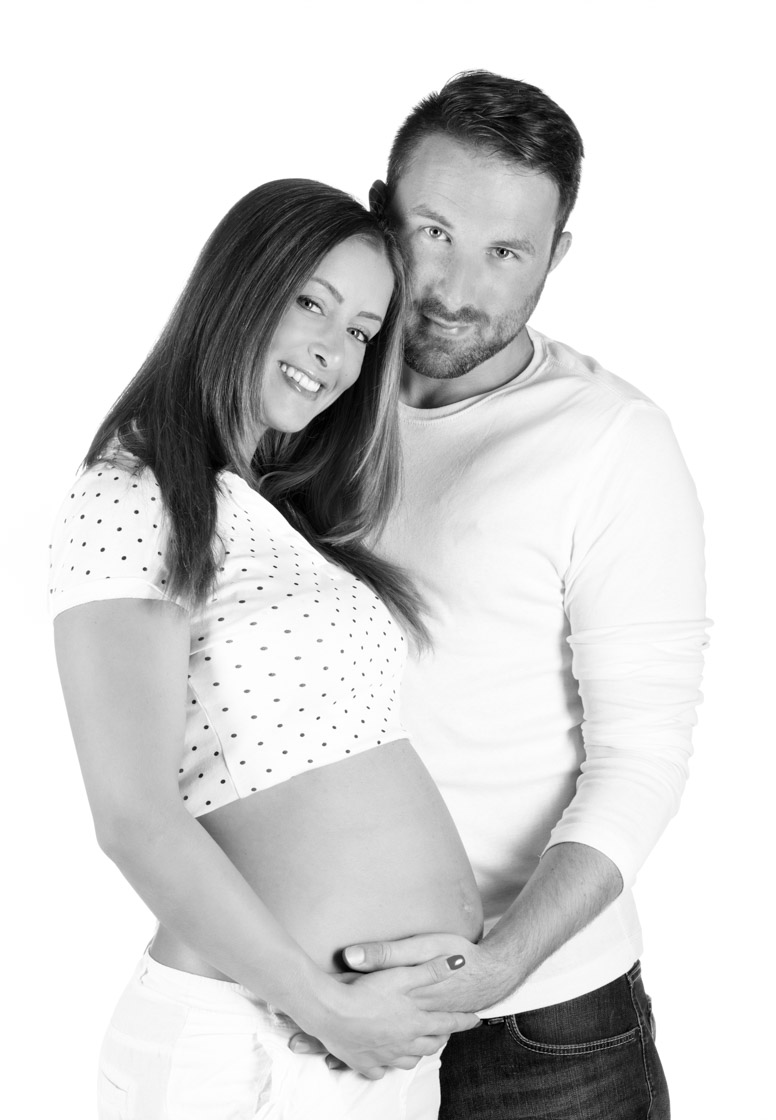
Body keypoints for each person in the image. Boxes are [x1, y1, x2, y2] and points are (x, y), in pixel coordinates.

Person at [289, 73, 710, 1119]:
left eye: (505, 252)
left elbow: (641, 757)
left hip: (544, 1028)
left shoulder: (609, 442)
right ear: (379, 210)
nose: (454, 287)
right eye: (432, 232)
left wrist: (498, 964)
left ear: (555, 255)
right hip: (317, 1002)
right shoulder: (300, 399)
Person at [48, 178, 484, 1120]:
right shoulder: (135, 493)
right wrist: (327, 1007)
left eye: (363, 330)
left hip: (360, 1051)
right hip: (255, 1046)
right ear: (239, 290)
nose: (335, 351)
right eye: (311, 304)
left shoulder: (264, 513)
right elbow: (132, 817)